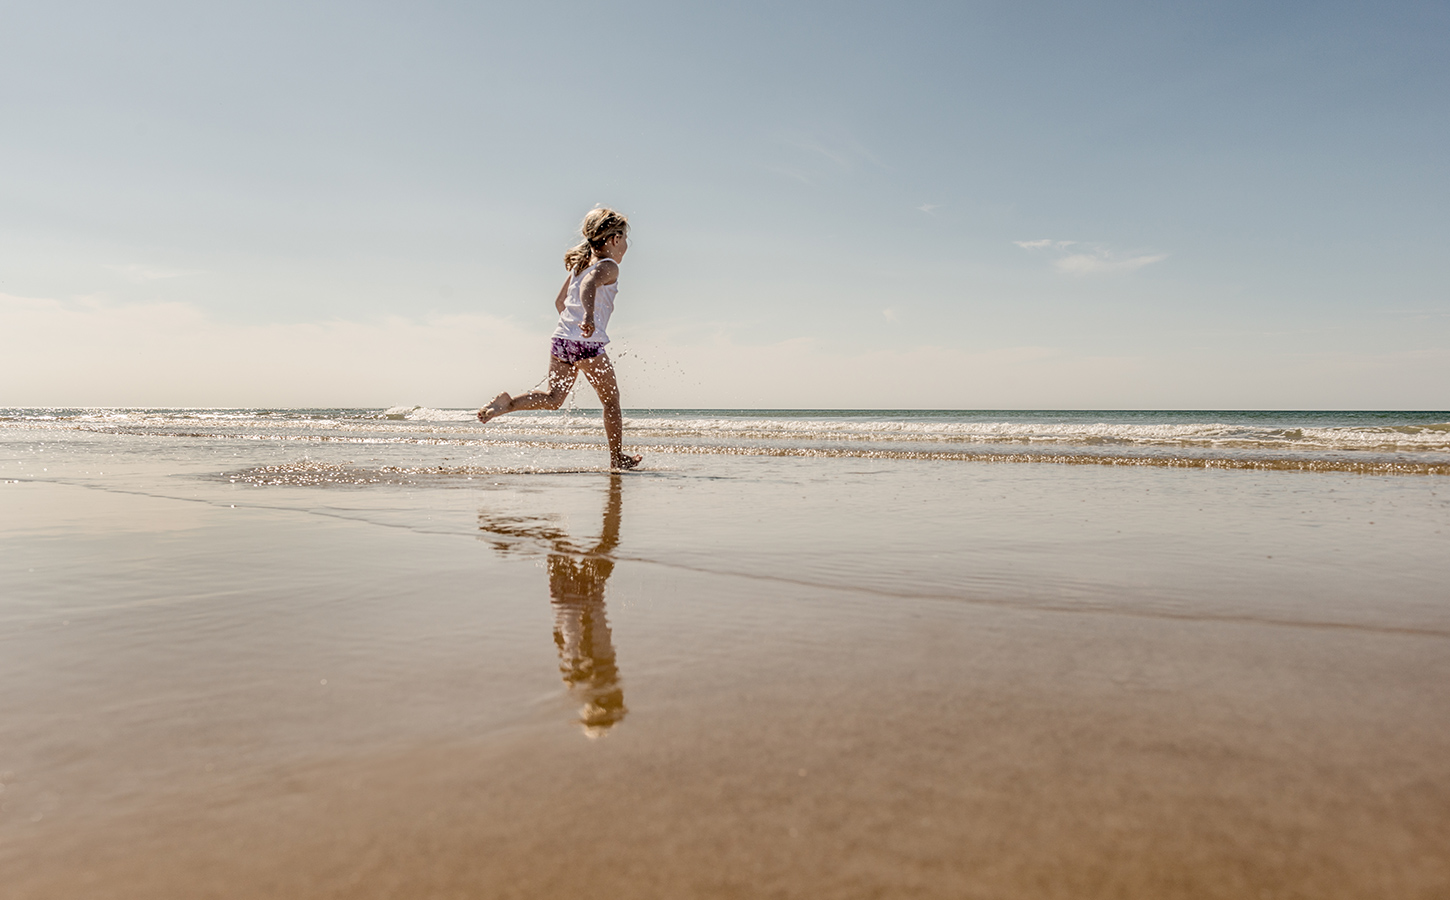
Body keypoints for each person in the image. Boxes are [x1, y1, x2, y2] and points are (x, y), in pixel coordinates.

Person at [477, 208, 642, 470]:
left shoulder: (580, 265)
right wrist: (588, 318)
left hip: (562, 340)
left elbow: (559, 302)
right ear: (613, 240)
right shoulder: (608, 267)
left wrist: (572, 329)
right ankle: (616, 458)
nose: (625, 246)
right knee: (611, 401)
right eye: (625, 240)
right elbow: (589, 286)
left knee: (554, 398)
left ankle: (507, 404)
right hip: (587, 345)